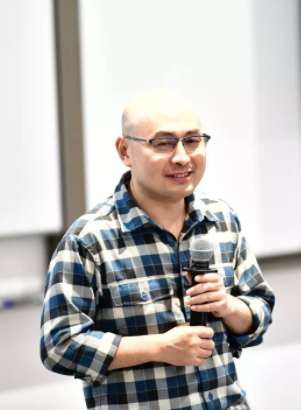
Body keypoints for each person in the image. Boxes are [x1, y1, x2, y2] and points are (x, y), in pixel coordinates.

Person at [40, 89, 275, 410]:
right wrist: (159, 347)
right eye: (163, 143)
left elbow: (260, 309)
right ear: (125, 151)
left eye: (192, 141)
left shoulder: (221, 219)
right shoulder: (89, 240)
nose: (182, 157)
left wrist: (228, 306)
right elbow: (60, 346)